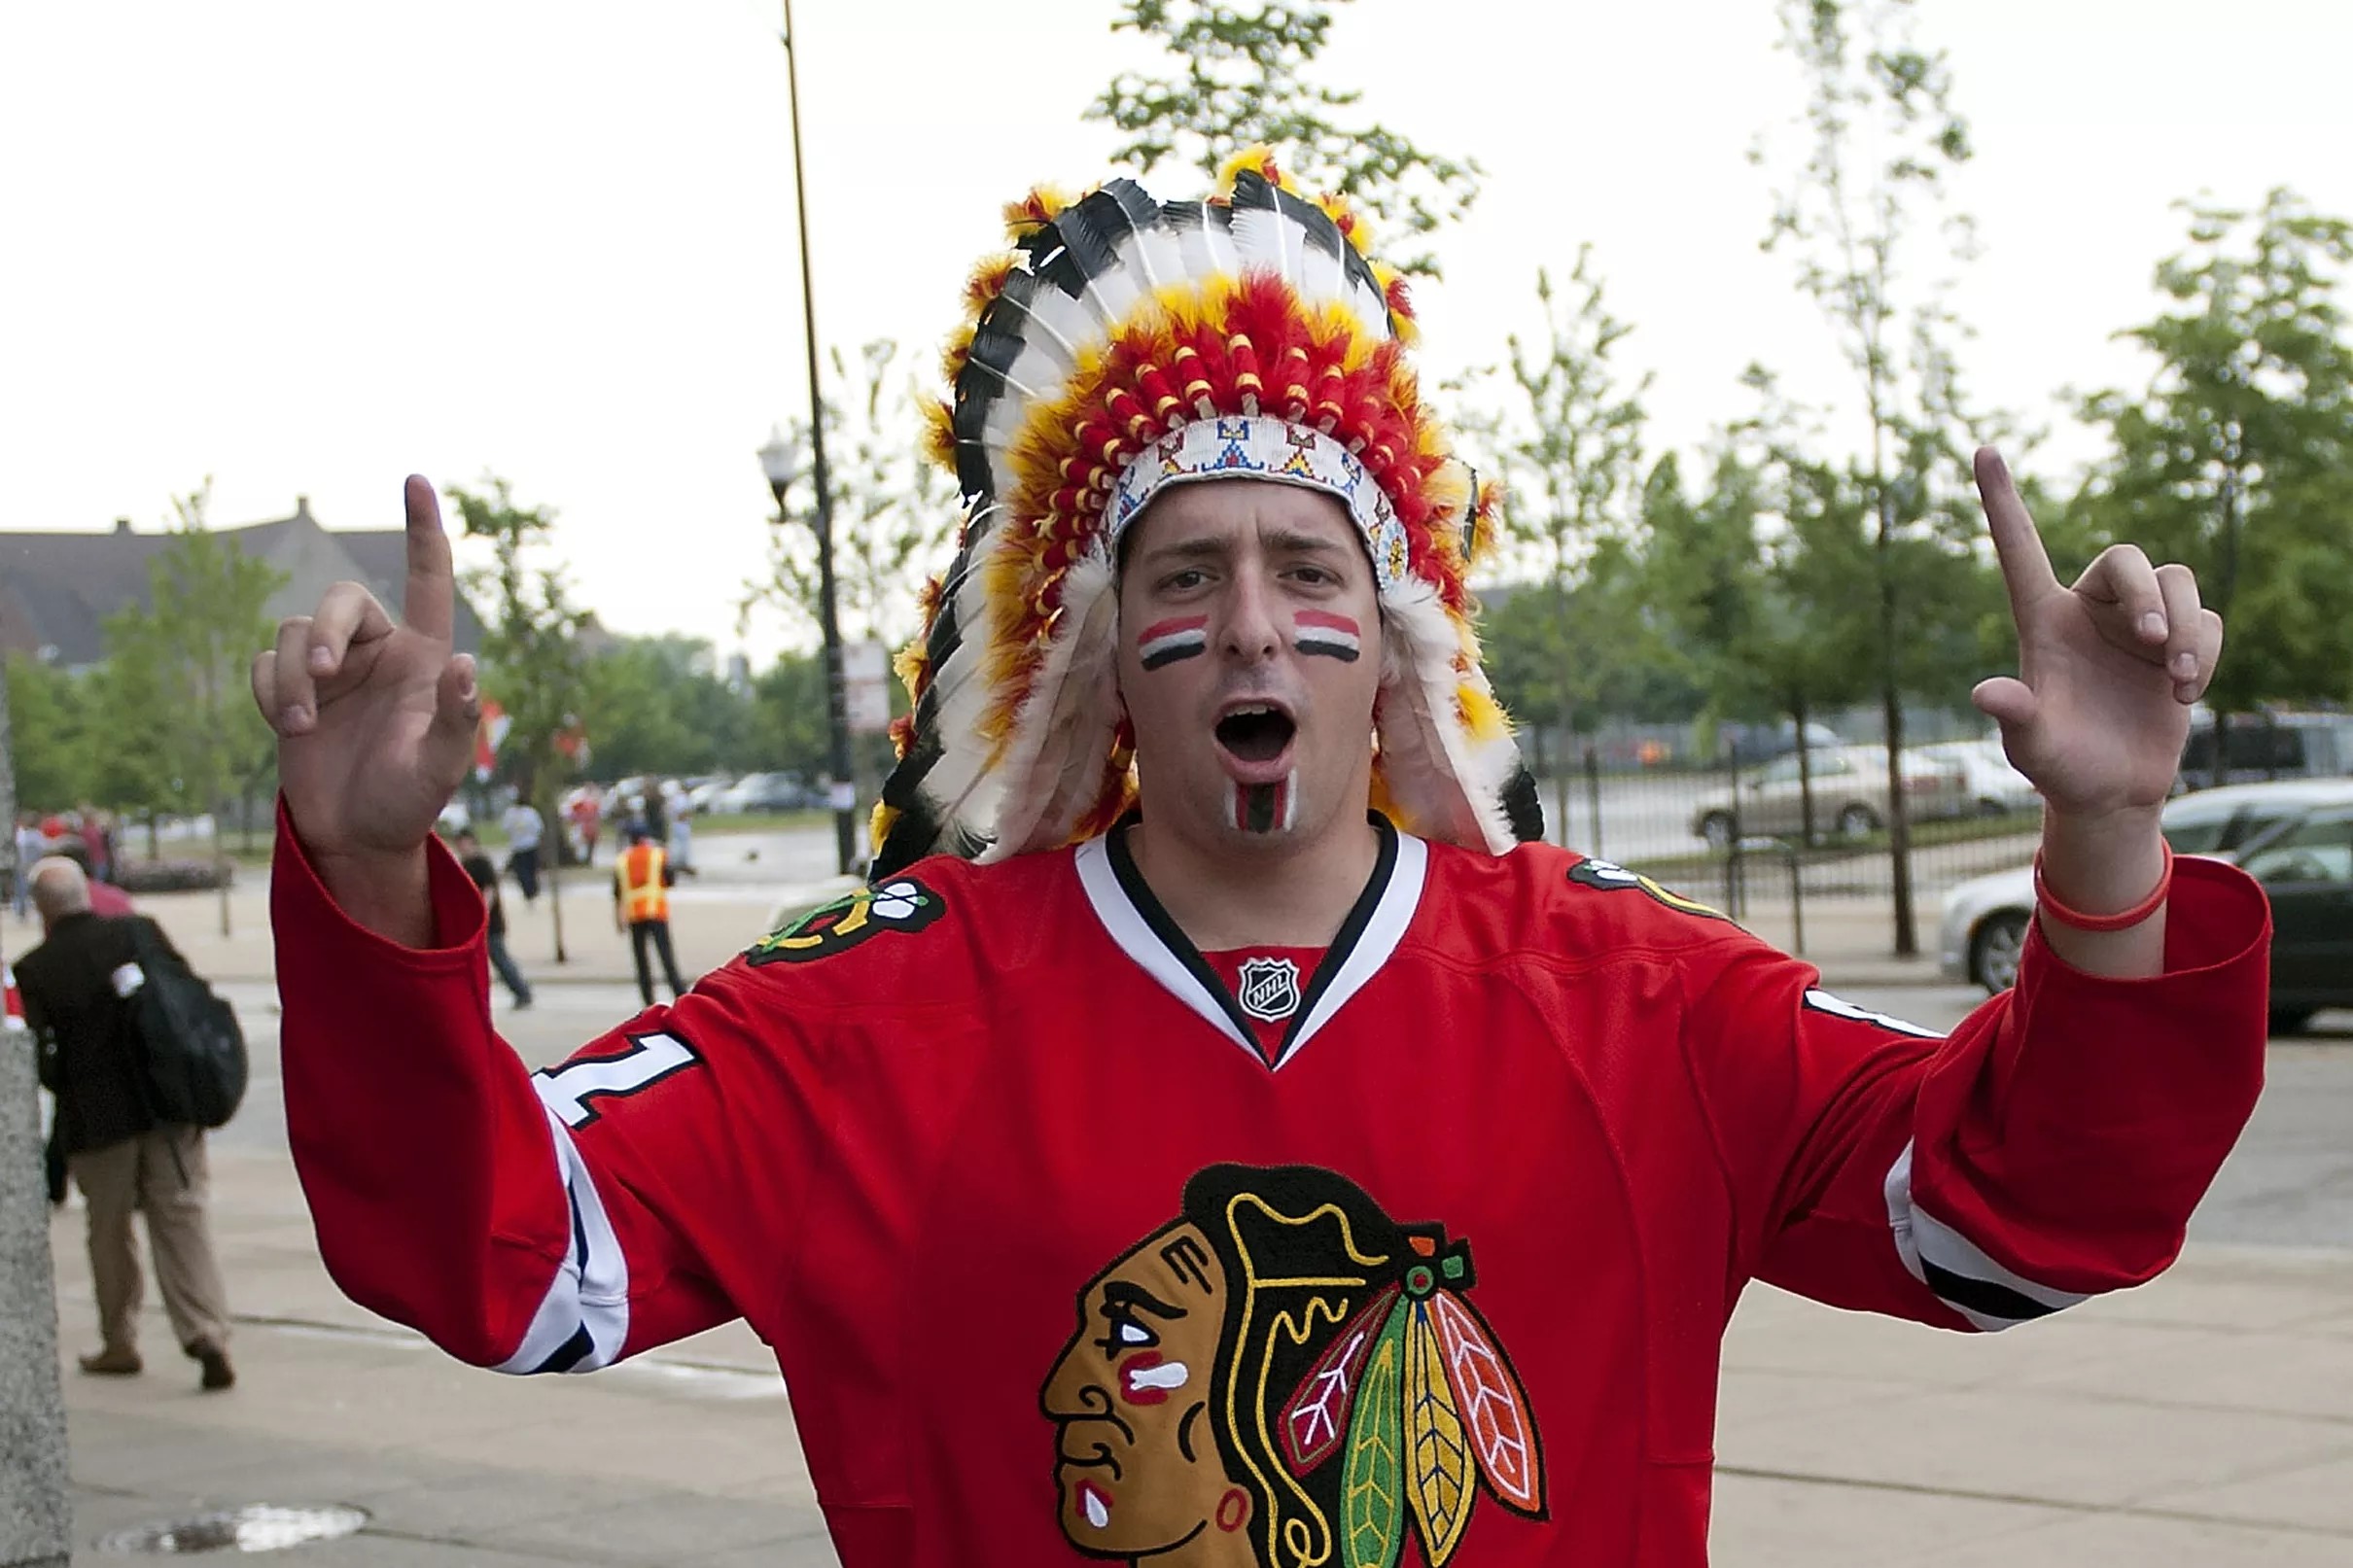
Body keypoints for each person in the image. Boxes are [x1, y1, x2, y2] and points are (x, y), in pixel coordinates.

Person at [253, 157, 2262, 1567]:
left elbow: (2019, 1216)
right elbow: (508, 1258)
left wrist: (2101, 825)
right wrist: (357, 877)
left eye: (1308, 569)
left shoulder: (1631, 999)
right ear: (1092, 650)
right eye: (1183, 572)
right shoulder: (868, 1018)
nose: (1244, 622)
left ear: (1389, 642)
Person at [18, 856, 233, 1392]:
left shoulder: (37, 970)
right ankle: (205, 1333)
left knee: (108, 1234)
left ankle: (120, 1340)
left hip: (97, 1124)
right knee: (183, 1222)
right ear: (86, 896)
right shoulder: (136, 933)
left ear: (42, 912)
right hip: (167, 1110)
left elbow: (47, 1062)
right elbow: (186, 1000)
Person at [452, 828, 531, 1009]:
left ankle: (522, 991)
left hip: (490, 922)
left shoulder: (481, 862)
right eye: (459, 843)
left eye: (464, 842)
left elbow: (490, 889)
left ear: (472, 841)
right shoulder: (464, 864)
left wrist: (483, 912)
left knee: (499, 957)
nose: (462, 846)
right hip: (472, 922)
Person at [612, 824, 685, 1008]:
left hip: (634, 915)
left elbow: (617, 893)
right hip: (655, 912)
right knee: (666, 958)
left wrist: (618, 919)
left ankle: (648, 1002)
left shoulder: (622, 860)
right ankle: (681, 995)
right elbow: (670, 880)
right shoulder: (657, 855)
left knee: (641, 961)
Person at [499, 793, 544, 904]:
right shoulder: (531, 813)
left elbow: (505, 828)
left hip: (518, 846)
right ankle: (532, 890)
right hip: (530, 845)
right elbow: (539, 828)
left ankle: (529, 891)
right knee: (530, 870)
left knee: (523, 871)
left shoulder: (510, 814)